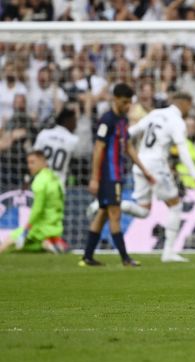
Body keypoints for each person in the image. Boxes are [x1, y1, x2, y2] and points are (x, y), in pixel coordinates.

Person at [123, 92, 195, 262]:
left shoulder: (154, 113)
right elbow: (183, 151)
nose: (190, 110)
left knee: (144, 210)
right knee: (176, 206)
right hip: (156, 167)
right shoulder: (177, 121)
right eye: (190, 106)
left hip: (139, 164)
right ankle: (168, 252)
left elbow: (131, 131)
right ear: (184, 103)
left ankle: (108, 204)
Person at [80, 84, 155, 267]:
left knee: (103, 214)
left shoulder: (122, 120)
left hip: (117, 175)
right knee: (115, 214)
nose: (128, 105)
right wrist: (94, 178)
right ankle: (125, 258)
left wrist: (144, 170)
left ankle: (88, 257)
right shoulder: (107, 120)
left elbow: (128, 146)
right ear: (115, 99)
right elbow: (98, 149)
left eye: (130, 102)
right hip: (108, 176)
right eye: (124, 102)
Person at [0, 151, 68, 254]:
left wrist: (28, 227)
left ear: (43, 162)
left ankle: (47, 243)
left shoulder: (39, 181)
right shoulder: (55, 178)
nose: (29, 166)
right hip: (55, 228)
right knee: (26, 249)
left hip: (39, 229)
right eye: (28, 163)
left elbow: (37, 209)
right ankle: (49, 244)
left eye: (32, 162)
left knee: (9, 240)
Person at [32, 105, 79, 187]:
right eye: (74, 121)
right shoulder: (73, 140)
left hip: (40, 183)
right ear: (67, 121)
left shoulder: (44, 133)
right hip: (58, 184)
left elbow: (34, 157)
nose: (76, 125)